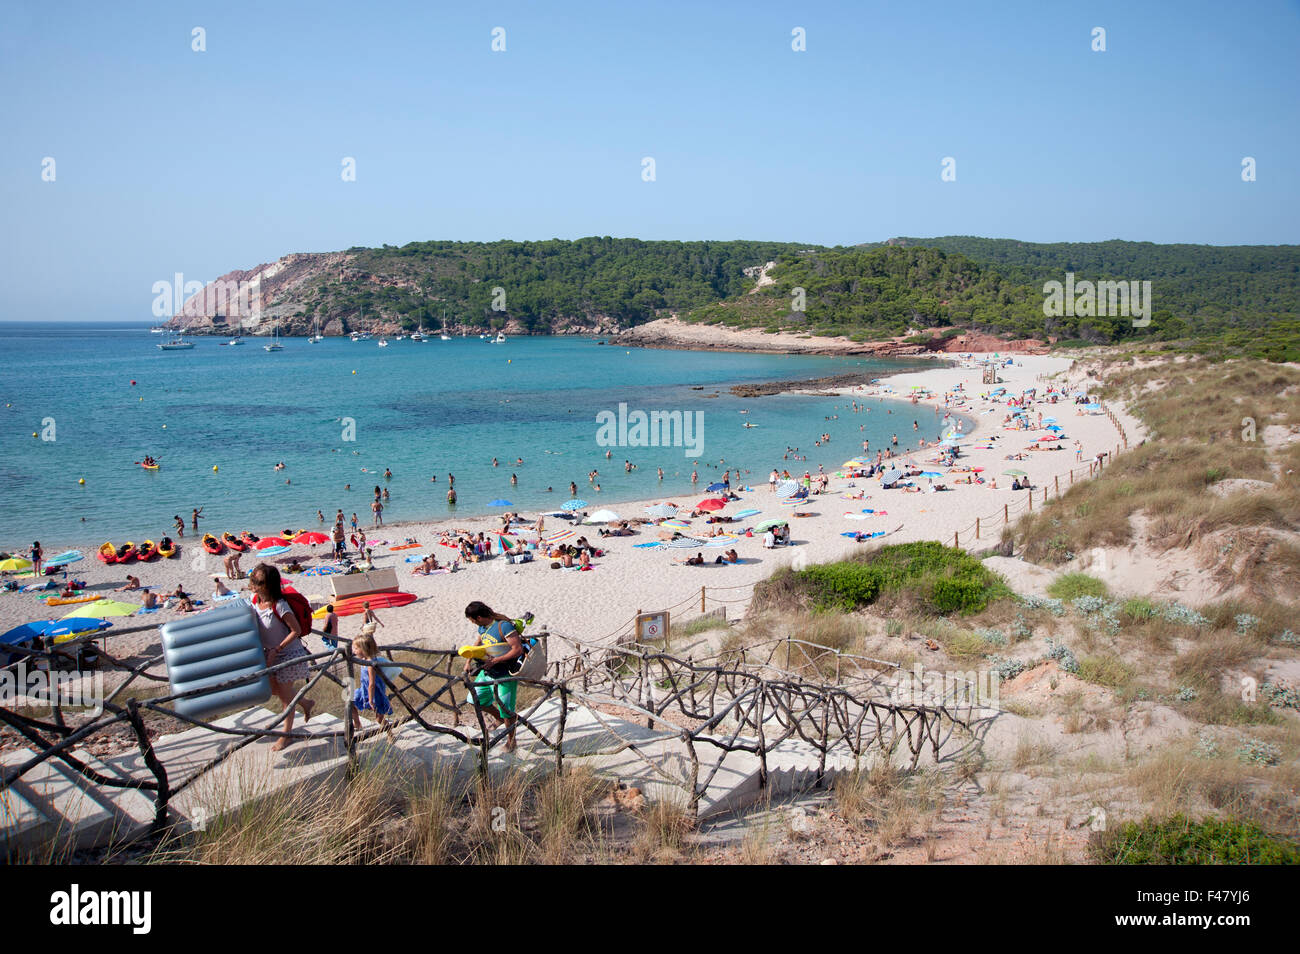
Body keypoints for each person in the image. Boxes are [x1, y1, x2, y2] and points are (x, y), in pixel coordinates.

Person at [248, 563, 315, 751]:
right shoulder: (255, 601)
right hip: (269, 654)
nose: (253, 583)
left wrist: (277, 649)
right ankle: (306, 702)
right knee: (273, 690)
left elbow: (296, 630)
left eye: (258, 581)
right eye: (252, 578)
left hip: (287, 654)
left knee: (285, 699)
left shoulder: (280, 605)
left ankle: (286, 736)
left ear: (268, 585)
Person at [462, 602, 526, 753]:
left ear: (479, 617)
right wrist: (468, 659)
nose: (472, 623)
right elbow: (479, 641)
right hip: (487, 671)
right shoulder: (482, 627)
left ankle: (512, 741)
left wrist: (496, 660)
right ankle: (498, 717)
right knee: (475, 700)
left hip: (504, 674)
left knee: (507, 710)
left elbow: (517, 649)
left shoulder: (503, 627)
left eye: (472, 620)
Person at [349, 632, 394, 741]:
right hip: (364, 690)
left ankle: (390, 734)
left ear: (363, 649)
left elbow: (372, 684)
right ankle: (357, 723)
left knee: (379, 719)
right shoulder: (364, 660)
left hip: (374, 694)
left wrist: (370, 700)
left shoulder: (371, 664)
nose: (353, 651)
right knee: (350, 702)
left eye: (356, 649)